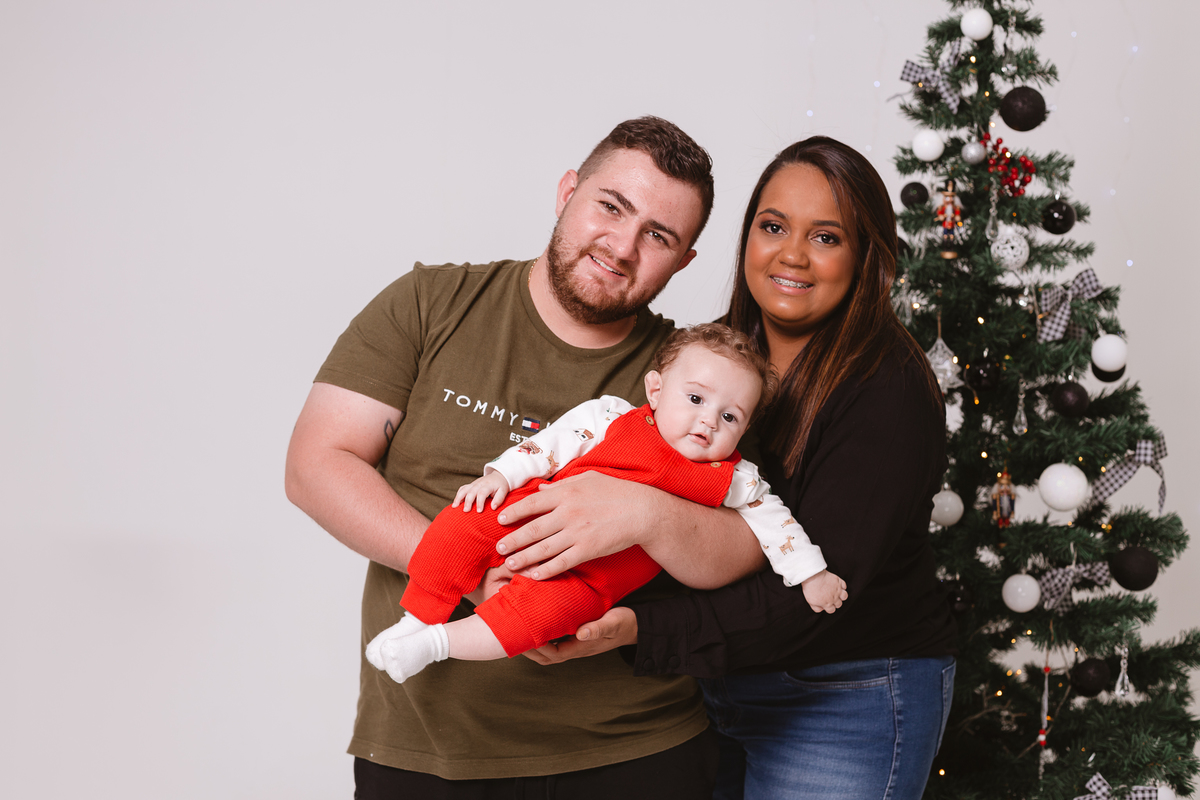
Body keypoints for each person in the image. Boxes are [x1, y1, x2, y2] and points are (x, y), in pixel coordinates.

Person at [285, 117, 765, 799]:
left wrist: (646, 514)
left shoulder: (699, 378)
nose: (622, 247)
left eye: (658, 236)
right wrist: (470, 572)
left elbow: (747, 547)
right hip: (427, 752)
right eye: (611, 206)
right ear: (567, 192)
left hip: (635, 751)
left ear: (684, 261)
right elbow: (315, 466)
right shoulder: (432, 303)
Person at [496, 137, 958, 799]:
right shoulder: (713, 360)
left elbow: (816, 595)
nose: (791, 255)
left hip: (847, 692)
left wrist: (638, 629)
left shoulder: (889, 391)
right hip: (716, 687)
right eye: (773, 227)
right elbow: (649, 491)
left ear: (867, 259)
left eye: (826, 237)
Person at [364, 324, 848, 684]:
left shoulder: (733, 477)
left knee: (536, 620)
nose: (708, 422)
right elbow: (551, 445)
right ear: (656, 390)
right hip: (529, 514)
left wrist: (812, 573)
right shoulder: (613, 417)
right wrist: (501, 475)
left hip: (589, 580)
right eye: (696, 399)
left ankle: (435, 644)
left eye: (730, 417)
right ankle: (418, 618)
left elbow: (777, 524)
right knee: (461, 525)